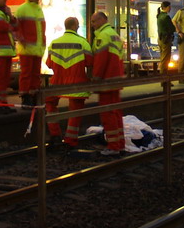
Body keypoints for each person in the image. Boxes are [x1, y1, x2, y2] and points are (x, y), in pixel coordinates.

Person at [44, 17, 91, 150]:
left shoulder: (54, 43)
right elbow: (90, 63)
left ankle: (55, 135)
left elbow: (49, 64)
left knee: (50, 104)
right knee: (75, 111)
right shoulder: (83, 42)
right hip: (77, 83)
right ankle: (70, 140)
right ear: (76, 26)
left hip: (57, 82)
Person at [89, 11, 125, 156]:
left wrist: (96, 77)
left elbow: (100, 59)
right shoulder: (114, 34)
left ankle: (113, 146)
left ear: (102, 20)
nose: (92, 25)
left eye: (93, 21)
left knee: (107, 114)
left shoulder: (102, 36)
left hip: (106, 80)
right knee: (116, 112)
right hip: (116, 79)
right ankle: (120, 144)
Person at [14, 0, 46, 107]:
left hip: (37, 48)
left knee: (35, 74)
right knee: (26, 74)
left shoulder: (38, 9)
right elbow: (16, 27)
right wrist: (21, 40)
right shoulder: (23, 9)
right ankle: (25, 96)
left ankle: (33, 95)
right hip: (27, 48)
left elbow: (41, 29)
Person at [156, 1, 176, 74]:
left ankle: (163, 78)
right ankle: (164, 79)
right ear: (166, 7)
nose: (170, 8)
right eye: (169, 7)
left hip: (161, 39)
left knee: (162, 59)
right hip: (166, 40)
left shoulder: (159, 16)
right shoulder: (166, 17)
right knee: (165, 60)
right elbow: (172, 28)